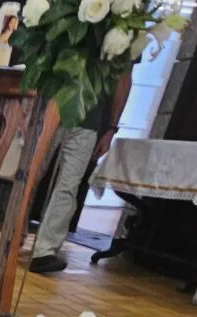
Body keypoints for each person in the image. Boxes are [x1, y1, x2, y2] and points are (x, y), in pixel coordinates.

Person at [29, 72, 132, 274]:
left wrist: (111, 129)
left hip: (89, 117)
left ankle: (44, 251)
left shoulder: (125, 50)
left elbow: (124, 78)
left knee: (69, 186)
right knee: (29, 177)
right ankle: (13, 235)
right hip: (50, 105)